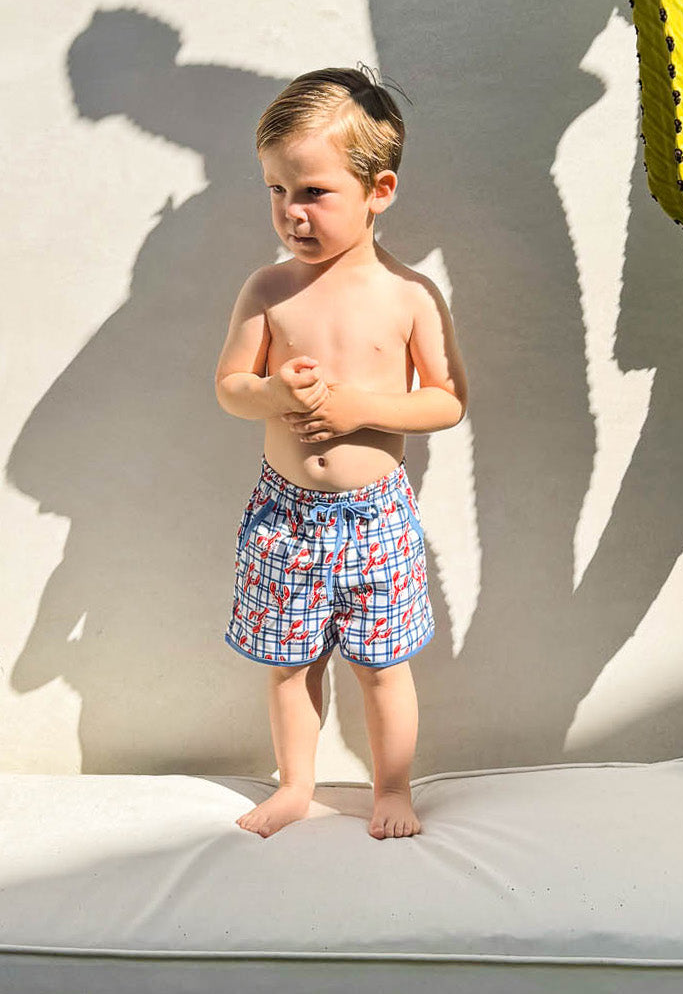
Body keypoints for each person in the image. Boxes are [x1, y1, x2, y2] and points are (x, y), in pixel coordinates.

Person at [215, 67, 468, 840]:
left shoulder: (409, 296)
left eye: (314, 192)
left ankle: (393, 788)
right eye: (277, 190)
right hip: (286, 517)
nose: (292, 211)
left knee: (383, 666)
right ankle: (296, 784)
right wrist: (272, 394)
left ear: (378, 190)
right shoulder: (268, 290)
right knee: (290, 664)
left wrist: (360, 408)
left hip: (373, 518)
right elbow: (230, 387)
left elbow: (447, 400)